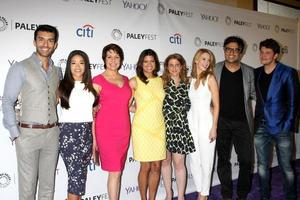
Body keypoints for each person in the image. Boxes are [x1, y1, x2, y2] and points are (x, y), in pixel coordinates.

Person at [2, 24, 61, 200]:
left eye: (50, 40)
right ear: (34, 41)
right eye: (41, 39)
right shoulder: (20, 67)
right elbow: (7, 101)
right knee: (27, 190)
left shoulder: (57, 71)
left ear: (55, 45)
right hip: (27, 135)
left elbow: (57, 99)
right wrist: (14, 132)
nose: (45, 44)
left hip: (52, 134)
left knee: (48, 187)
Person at [254, 38, 298, 200]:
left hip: (281, 128)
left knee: (286, 167)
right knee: (262, 166)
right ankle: (265, 196)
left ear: (276, 56)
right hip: (260, 128)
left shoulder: (288, 72)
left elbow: (294, 102)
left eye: (267, 53)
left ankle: (291, 197)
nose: (263, 55)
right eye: (261, 52)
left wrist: (287, 125)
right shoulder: (256, 73)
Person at [215, 36, 255, 200]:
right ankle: (226, 193)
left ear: (241, 52)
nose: (231, 52)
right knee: (223, 159)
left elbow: (255, 94)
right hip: (221, 122)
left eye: (235, 49)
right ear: (224, 50)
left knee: (246, 160)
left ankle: (242, 194)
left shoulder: (249, 71)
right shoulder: (215, 69)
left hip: (243, 123)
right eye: (228, 49)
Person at [92, 43, 132, 200]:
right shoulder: (97, 81)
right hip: (106, 132)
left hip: (124, 130)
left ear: (121, 60)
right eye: (109, 56)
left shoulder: (127, 80)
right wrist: (94, 138)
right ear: (104, 59)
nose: (113, 60)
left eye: (116, 57)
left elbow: (128, 106)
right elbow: (92, 112)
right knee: (115, 172)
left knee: (118, 171)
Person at [57, 50, 98, 200]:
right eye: (73, 63)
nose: (77, 66)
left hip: (86, 135)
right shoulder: (61, 86)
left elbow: (93, 116)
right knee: (75, 181)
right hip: (68, 135)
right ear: (68, 66)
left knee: (78, 181)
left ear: (86, 66)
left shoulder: (91, 88)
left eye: (81, 63)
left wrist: (94, 141)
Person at [129, 49, 166, 200]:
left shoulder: (162, 81)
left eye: (152, 61)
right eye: (145, 61)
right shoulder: (134, 81)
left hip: (159, 128)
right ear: (141, 63)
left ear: (156, 63)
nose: (149, 64)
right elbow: (126, 106)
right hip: (142, 129)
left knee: (157, 167)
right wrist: (138, 110)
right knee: (145, 167)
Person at [161, 53, 196, 200]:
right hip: (162, 128)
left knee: (179, 163)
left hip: (181, 128)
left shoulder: (189, 83)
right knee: (165, 162)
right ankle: (169, 193)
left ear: (182, 66)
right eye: (171, 65)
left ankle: (181, 196)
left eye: (177, 65)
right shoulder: (160, 82)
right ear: (167, 67)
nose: (174, 68)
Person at [188, 48, 219, 200]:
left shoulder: (210, 78)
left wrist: (214, 127)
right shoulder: (191, 80)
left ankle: (203, 195)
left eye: (209, 60)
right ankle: (200, 189)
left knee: (206, 161)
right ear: (196, 60)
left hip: (206, 122)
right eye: (204, 59)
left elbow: (217, 105)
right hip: (191, 122)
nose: (206, 63)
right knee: (194, 160)